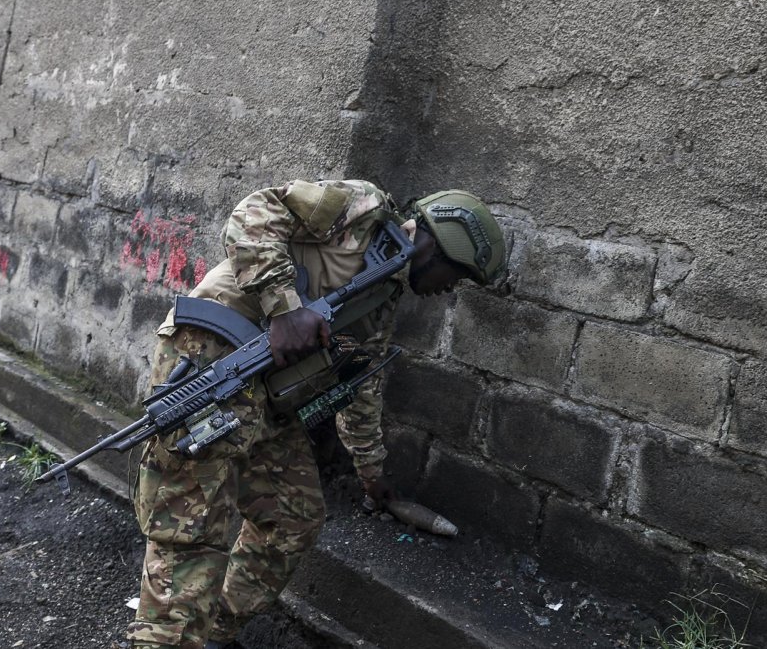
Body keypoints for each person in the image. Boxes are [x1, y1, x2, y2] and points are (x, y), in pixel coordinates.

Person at [126, 179, 507, 649]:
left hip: (266, 402)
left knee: (294, 517)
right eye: (457, 275)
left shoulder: (383, 298)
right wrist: (283, 307)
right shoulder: (362, 208)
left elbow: (360, 385)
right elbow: (253, 212)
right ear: (439, 245)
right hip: (212, 359)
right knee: (191, 532)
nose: (449, 290)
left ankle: (211, 635)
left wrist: (371, 472)